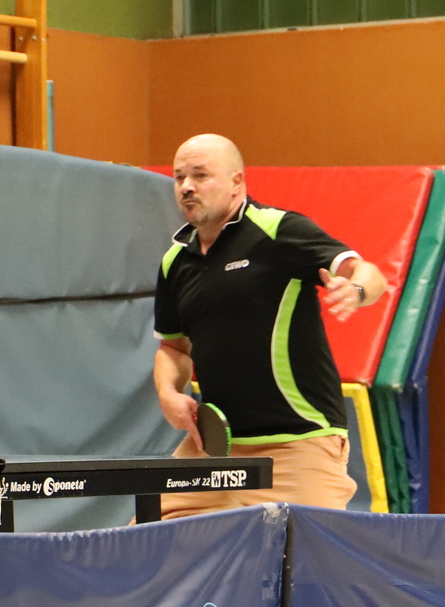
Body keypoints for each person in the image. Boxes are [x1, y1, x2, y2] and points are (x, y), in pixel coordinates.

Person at [152, 133, 388, 517]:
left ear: (236, 183)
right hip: (216, 447)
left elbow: (368, 272)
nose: (187, 187)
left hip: (298, 442)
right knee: (145, 541)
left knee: (311, 563)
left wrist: (357, 290)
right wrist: (167, 392)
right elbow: (174, 348)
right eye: (179, 178)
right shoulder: (175, 261)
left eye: (200, 175)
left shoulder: (278, 231)